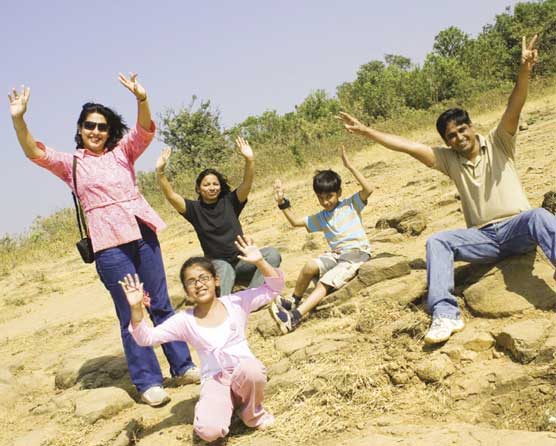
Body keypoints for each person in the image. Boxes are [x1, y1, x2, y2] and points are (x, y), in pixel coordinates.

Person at [337, 36, 555, 345]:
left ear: (472, 127)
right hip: (482, 239)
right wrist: (367, 131)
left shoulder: (499, 142)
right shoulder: (449, 160)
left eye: (461, 130)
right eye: (450, 136)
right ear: (447, 141)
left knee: (538, 216)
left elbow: (514, 104)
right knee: (438, 240)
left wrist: (525, 68)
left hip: (517, 229)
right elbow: (408, 147)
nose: (457, 138)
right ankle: (445, 314)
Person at [8, 74, 198, 406]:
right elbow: (33, 151)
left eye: (102, 126)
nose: (96, 131)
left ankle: (182, 366)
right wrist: (19, 119)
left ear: (110, 132)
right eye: (90, 125)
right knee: (131, 311)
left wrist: (142, 98)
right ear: (80, 129)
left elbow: (145, 131)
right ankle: (148, 382)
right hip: (110, 246)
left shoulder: (122, 153)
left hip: (143, 233)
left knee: (162, 305)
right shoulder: (71, 165)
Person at [122, 235, 282, 443]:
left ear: (216, 280)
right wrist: (136, 309)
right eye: (191, 281)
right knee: (208, 432)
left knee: (252, 369)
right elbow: (146, 338)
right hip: (215, 380)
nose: (199, 284)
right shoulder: (184, 320)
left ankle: (251, 413)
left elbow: (274, 288)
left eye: (204, 278)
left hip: (244, 373)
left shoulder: (236, 302)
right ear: (187, 291)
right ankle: (224, 407)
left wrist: (260, 261)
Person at [156, 139, 282, 295]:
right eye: (206, 185)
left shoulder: (230, 202)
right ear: (198, 188)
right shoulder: (194, 210)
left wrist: (250, 160)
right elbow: (170, 195)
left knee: (272, 255)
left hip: (242, 261)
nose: (212, 188)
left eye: (215, 184)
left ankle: (250, 295)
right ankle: (225, 302)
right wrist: (160, 173)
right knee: (225, 268)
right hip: (217, 266)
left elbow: (247, 183)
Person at [269, 147, 373, 334]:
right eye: (321, 198)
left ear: (339, 192)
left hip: (356, 255)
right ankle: (294, 300)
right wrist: (281, 202)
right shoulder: (322, 216)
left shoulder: (351, 204)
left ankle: (295, 317)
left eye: (329, 196)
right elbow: (294, 222)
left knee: (324, 283)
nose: (326, 202)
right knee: (310, 266)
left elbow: (369, 189)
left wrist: (349, 166)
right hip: (337, 255)